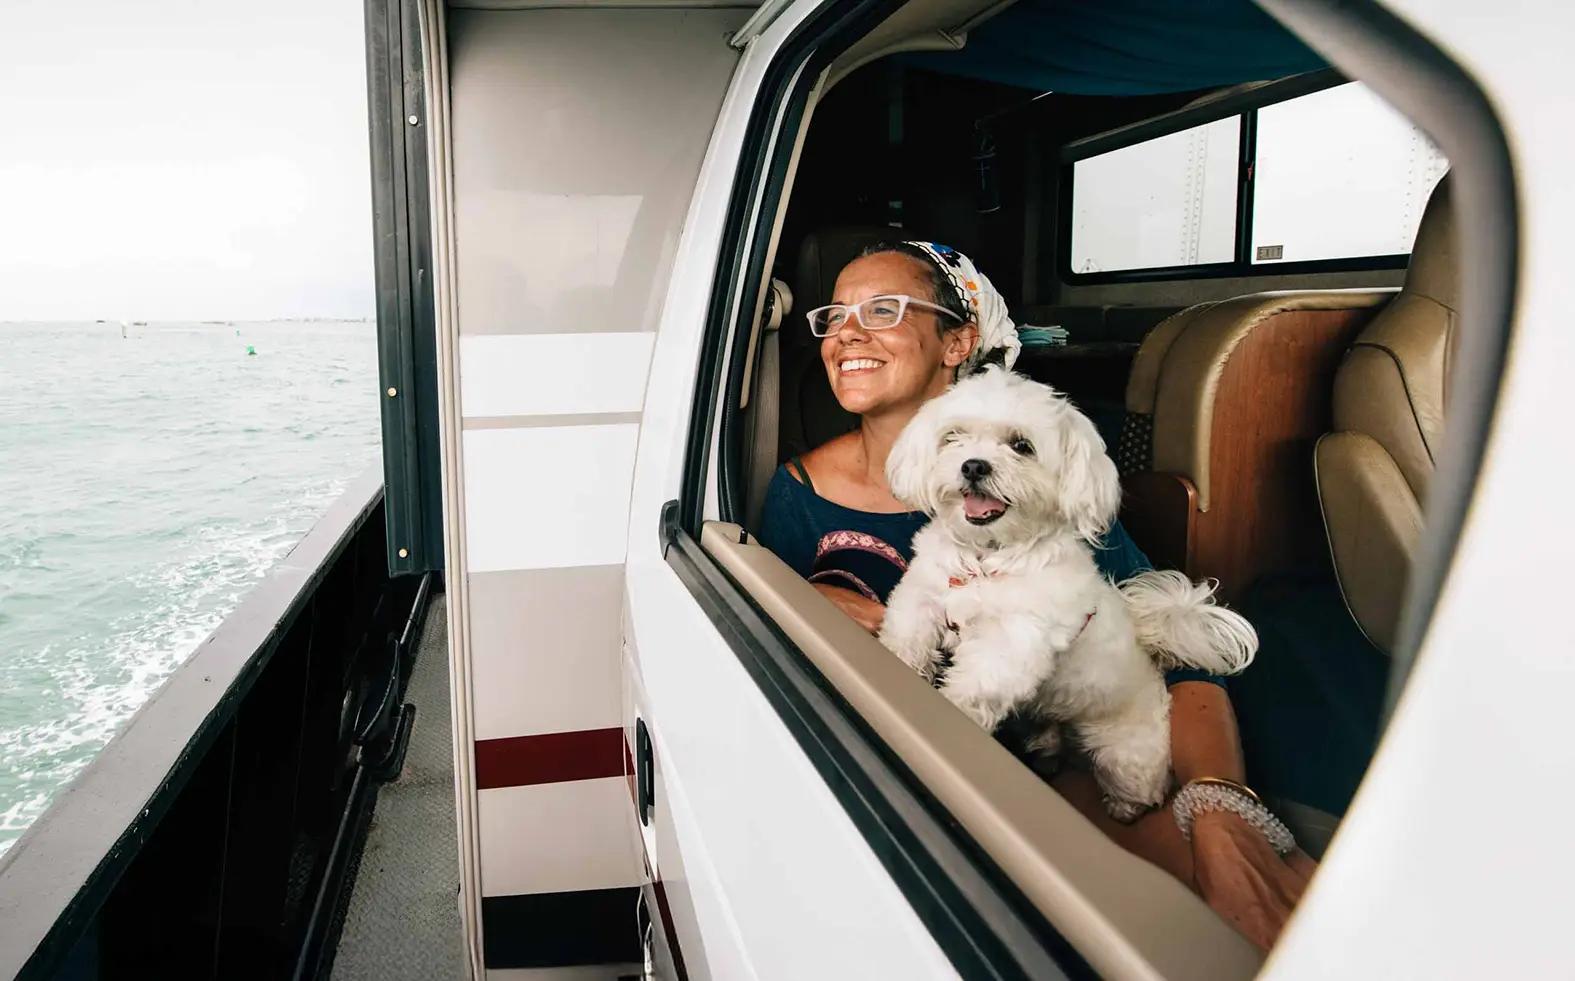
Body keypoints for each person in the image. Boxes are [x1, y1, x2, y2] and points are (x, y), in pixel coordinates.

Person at [757, 241, 1314, 951]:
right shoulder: (796, 496)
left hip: (1068, 753)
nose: (846, 333)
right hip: (912, 775)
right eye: (835, 315)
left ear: (957, 340)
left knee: (1249, 918)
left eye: (883, 310)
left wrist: (1218, 806)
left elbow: (1168, 655)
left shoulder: (1049, 489)